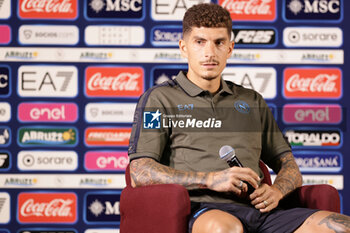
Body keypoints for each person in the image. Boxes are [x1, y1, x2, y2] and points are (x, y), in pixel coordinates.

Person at [128, 3, 350, 233]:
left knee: (340, 227)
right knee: (227, 229)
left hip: (260, 212)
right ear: (184, 48)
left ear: (230, 48)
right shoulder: (159, 99)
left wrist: (277, 191)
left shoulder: (252, 100)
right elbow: (139, 172)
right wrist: (211, 179)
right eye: (200, 42)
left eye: (219, 43)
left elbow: (289, 165)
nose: (210, 52)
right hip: (202, 209)